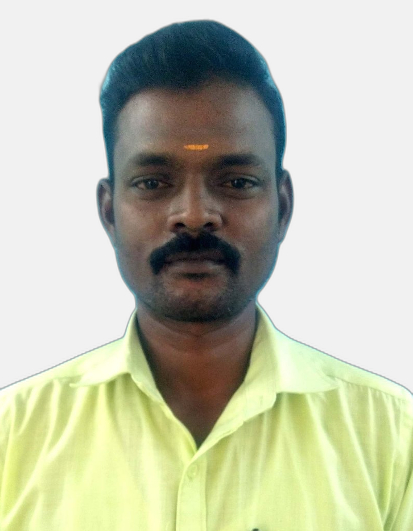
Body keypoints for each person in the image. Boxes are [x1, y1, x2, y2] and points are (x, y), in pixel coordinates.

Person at [0, 20, 412, 531]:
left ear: (283, 208)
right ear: (108, 212)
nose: (194, 216)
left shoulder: (390, 439)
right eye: (153, 182)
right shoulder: (12, 440)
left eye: (236, 181)